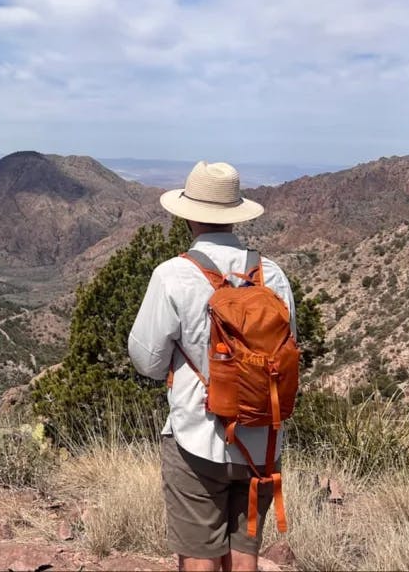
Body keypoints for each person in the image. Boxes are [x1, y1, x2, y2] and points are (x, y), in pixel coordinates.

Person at [128, 161, 297, 572]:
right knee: (245, 559)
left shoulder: (173, 275)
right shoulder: (271, 275)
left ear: (188, 215)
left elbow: (148, 362)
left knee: (199, 559)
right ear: (236, 213)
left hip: (195, 438)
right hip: (262, 438)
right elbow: (287, 349)